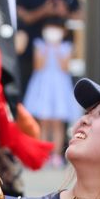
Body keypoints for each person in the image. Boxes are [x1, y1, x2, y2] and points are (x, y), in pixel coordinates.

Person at [15, 0, 82, 92]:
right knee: (31, 92)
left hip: (59, 51)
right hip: (30, 51)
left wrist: (64, 11)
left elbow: (79, 15)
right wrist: (44, 10)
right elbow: (22, 16)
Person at [22, 19, 80, 165]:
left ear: (63, 32)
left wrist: (57, 51)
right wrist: (47, 51)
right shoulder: (39, 45)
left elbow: (65, 67)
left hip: (60, 85)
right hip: (43, 84)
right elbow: (38, 66)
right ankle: (43, 154)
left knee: (58, 123)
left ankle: (56, 155)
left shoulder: (66, 47)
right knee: (44, 121)